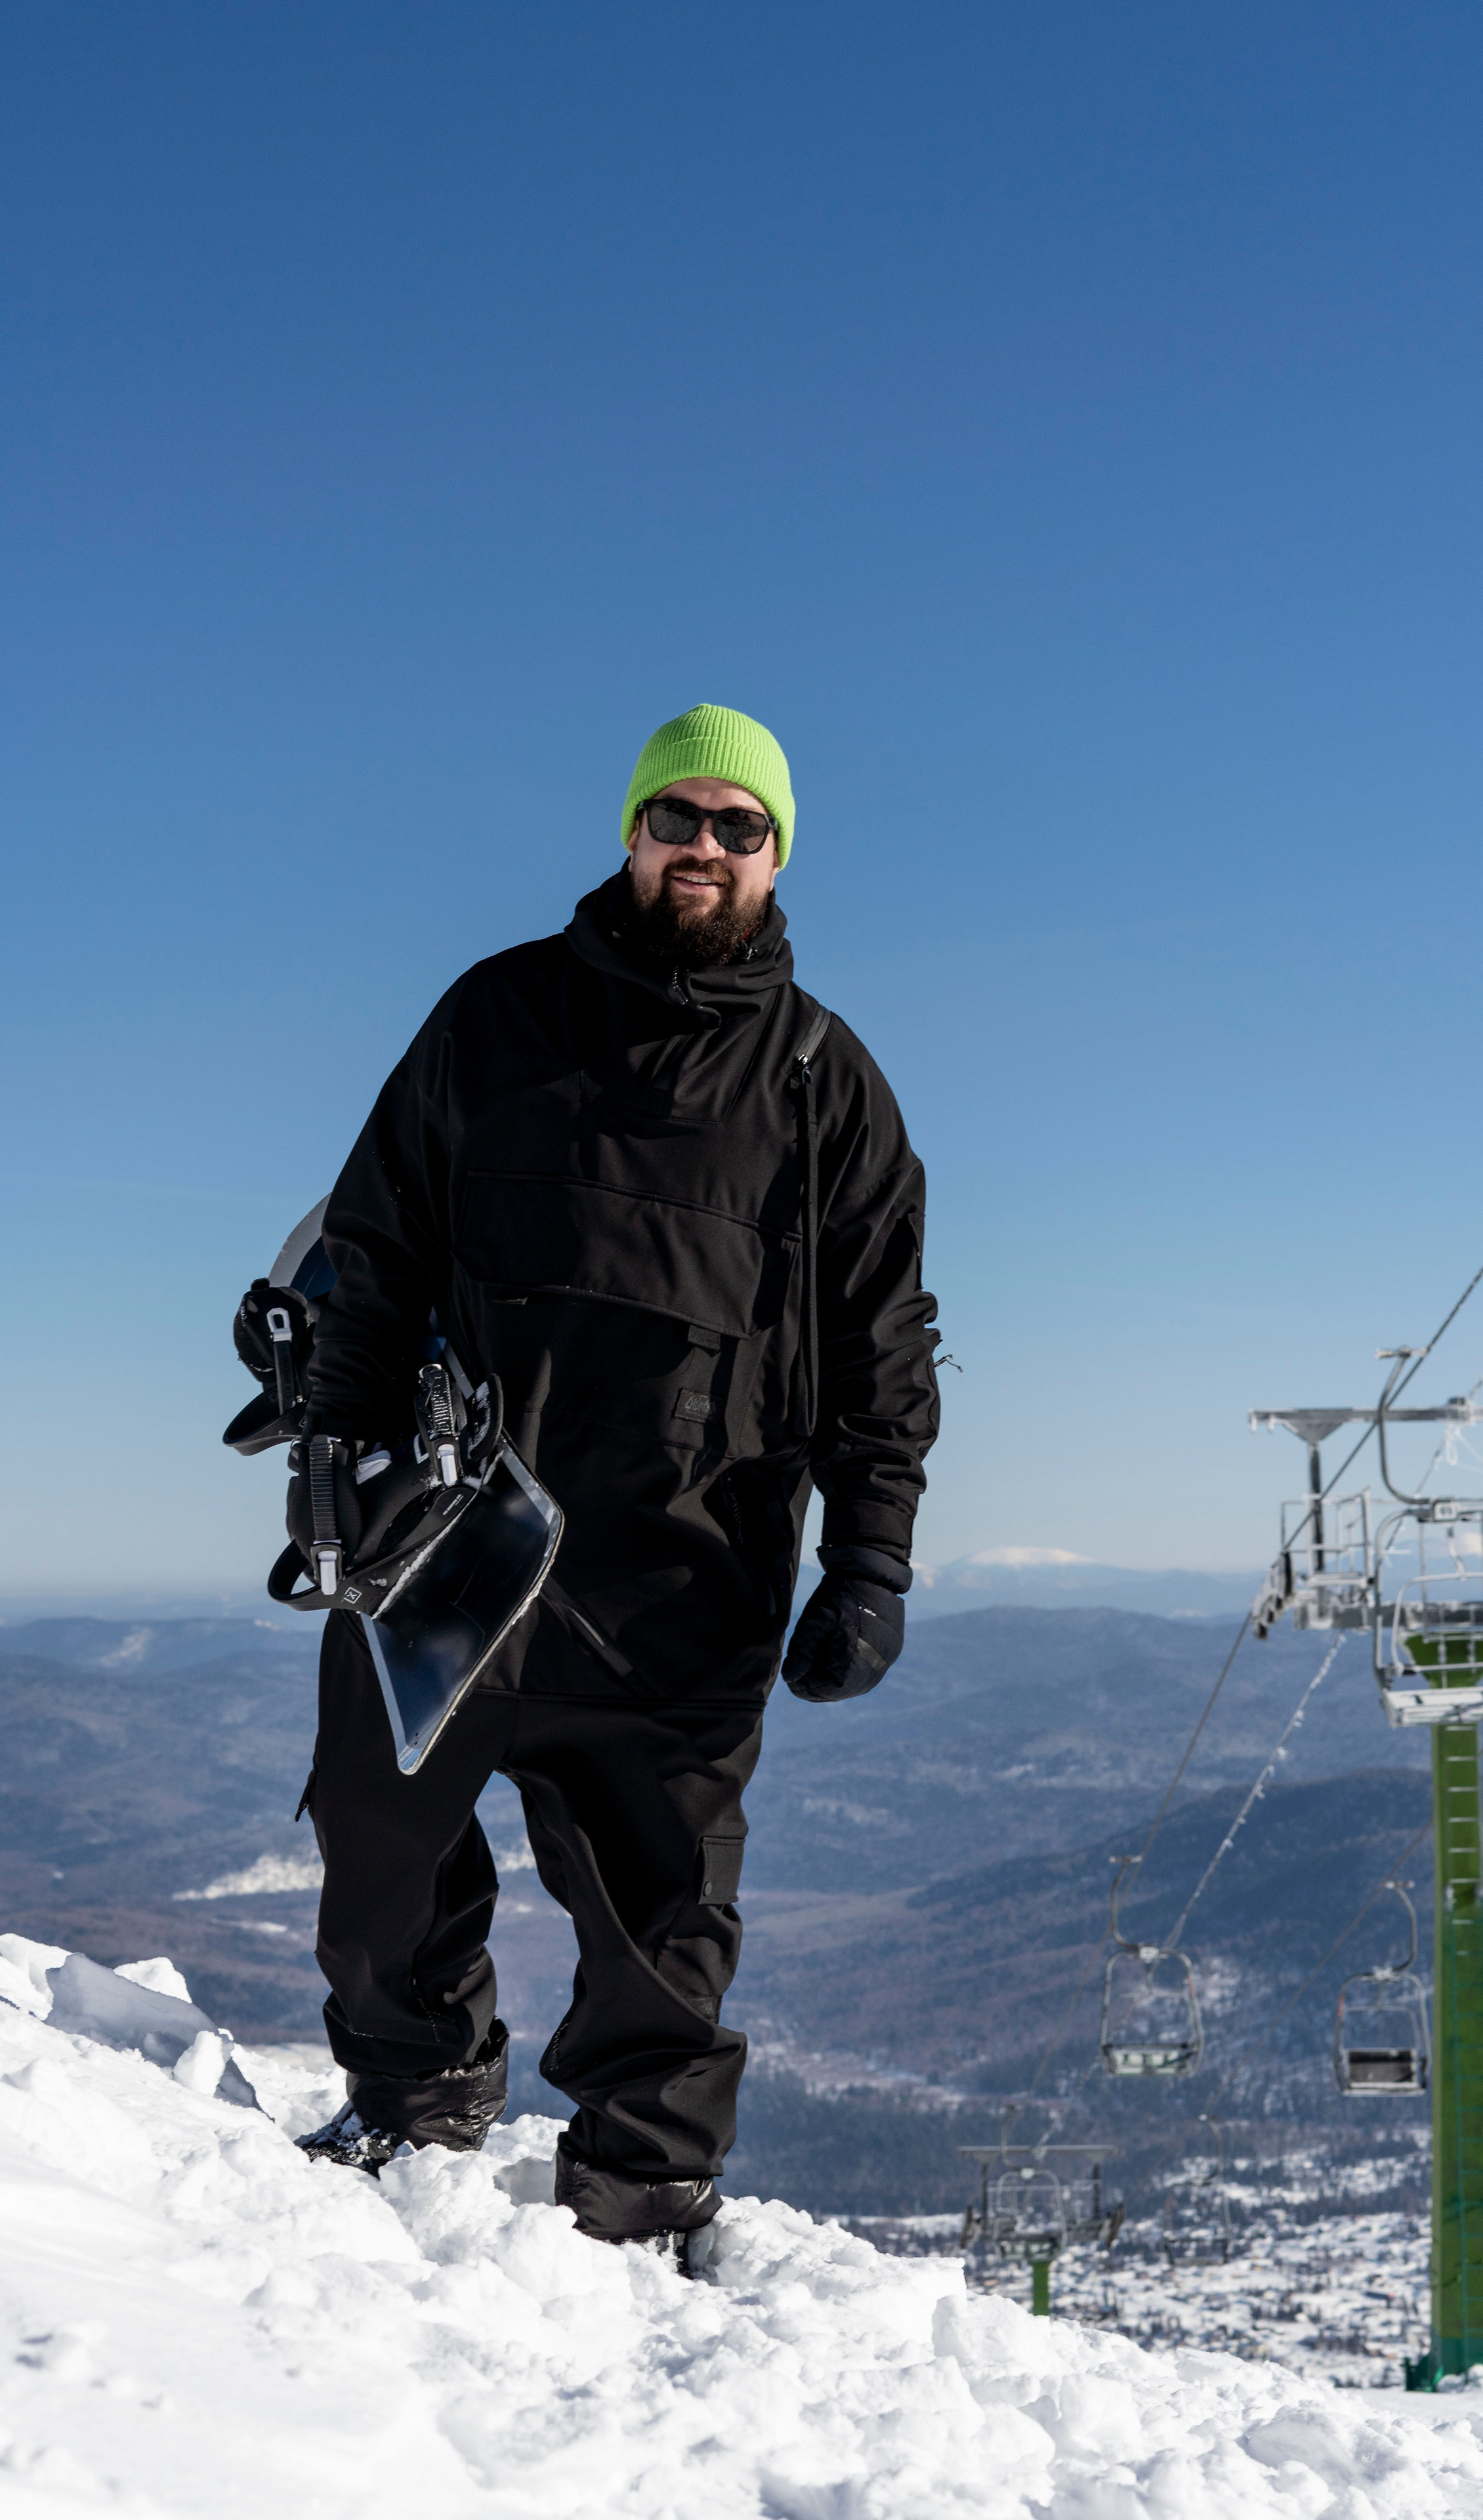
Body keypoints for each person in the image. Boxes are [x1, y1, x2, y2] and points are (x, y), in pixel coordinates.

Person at [293, 704, 940, 2257]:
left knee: (662, 1912)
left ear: (776, 856)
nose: (702, 847)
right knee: (376, 1839)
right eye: (676, 817)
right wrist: (341, 1451)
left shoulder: (821, 1081)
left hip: (686, 1562)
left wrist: (869, 1560)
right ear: (632, 831)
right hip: (455, 1532)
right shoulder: (493, 1016)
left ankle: (643, 2188)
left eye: (738, 826)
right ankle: (418, 2091)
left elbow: (883, 1343)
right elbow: (372, 1248)